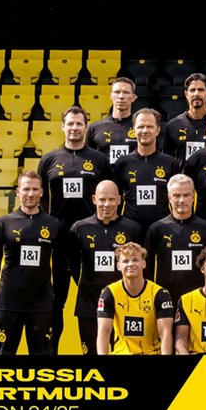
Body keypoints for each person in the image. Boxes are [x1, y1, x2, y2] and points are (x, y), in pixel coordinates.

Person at [36, 105, 110, 354]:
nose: (75, 128)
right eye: (70, 123)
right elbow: (40, 198)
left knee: (95, 302)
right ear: (63, 126)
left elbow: (108, 196)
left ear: (86, 127)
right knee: (55, 302)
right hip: (57, 242)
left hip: (90, 242)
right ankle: (50, 352)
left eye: (79, 123)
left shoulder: (99, 160)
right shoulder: (49, 159)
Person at [66, 180, 143, 355]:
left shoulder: (133, 229)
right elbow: (72, 263)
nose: (106, 204)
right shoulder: (79, 228)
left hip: (124, 306)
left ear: (119, 200)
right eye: (102, 199)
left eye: (111, 199)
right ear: (94, 199)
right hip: (89, 304)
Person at [0, 170, 61, 355]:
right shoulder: (3, 223)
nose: (31, 194)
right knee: (5, 352)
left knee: (42, 354)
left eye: (35, 189)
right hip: (9, 301)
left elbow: (60, 262)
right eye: (26, 189)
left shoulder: (53, 224)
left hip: (41, 303)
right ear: (18, 192)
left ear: (42, 192)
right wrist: (8, 284)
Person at [144, 174, 206, 298]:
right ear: (169, 198)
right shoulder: (156, 229)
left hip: (199, 298)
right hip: (165, 299)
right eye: (176, 195)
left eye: (186, 195)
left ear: (193, 197)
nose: (181, 200)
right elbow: (147, 269)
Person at [96, 242, 174, 355]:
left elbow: (165, 333)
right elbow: (104, 331)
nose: (130, 264)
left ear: (143, 263)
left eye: (135, 260)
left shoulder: (160, 293)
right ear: (118, 266)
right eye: (125, 261)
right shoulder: (109, 292)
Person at [111, 107, 179, 234]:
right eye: (141, 127)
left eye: (150, 127)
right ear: (133, 130)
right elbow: (117, 200)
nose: (145, 131)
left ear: (158, 130)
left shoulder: (170, 163)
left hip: (163, 229)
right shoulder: (122, 163)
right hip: (130, 230)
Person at [163, 72, 206, 165]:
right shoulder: (173, 125)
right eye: (192, 90)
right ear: (186, 94)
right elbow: (167, 161)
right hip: (184, 178)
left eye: (201, 90)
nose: (196, 94)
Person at [88, 77, 137, 164]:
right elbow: (88, 158)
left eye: (125, 92)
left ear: (133, 97)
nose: (121, 96)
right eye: (117, 92)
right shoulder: (95, 127)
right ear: (111, 96)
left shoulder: (140, 127)